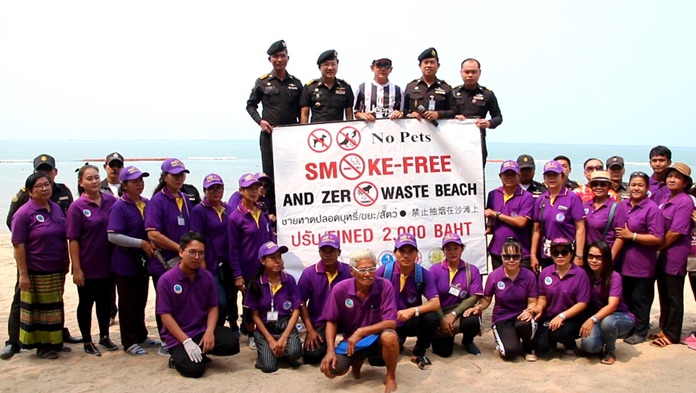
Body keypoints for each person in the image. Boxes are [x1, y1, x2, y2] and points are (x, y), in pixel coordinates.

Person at [2, 154, 80, 360]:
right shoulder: (23, 203)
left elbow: (68, 226)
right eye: (40, 174)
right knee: (25, 303)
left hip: (55, 264)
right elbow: (15, 231)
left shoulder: (60, 197)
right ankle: (14, 342)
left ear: (55, 172)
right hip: (32, 263)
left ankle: (56, 338)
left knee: (54, 303)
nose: (45, 181)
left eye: (48, 173)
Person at [156, 231, 240, 378]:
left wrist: (209, 332)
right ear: (181, 252)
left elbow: (213, 307)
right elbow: (165, 316)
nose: (197, 257)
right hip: (178, 336)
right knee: (195, 370)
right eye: (192, 252)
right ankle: (176, 357)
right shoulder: (166, 280)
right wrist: (186, 341)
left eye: (201, 253)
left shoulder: (206, 277)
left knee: (232, 343)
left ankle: (200, 351)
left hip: (200, 330)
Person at [320, 249, 399, 393]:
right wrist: (330, 350)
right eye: (363, 270)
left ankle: (390, 376)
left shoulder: (385, 286)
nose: (368, 274)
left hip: (376, 339)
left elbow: (391, 322)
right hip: (351, 342)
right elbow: (331, 321)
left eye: (372, 269)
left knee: (390, 337)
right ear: (352, 271)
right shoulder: (340, 289)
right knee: (331, 370)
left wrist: (361, 331)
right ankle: (356, 362)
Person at [10, 173, 69, 359]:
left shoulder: (57, 208)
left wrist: (67, 262)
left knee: (55, 307)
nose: (44, 188)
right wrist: (23, 274)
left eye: (47, 184)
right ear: (29, 191)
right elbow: (18, 244)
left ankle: (55, 342)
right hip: (36, 269)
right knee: (40, 311)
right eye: (39, 186)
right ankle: (43, 347)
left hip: (56, 268)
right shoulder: (24, 213)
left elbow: (63, 237)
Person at [107, 166, 161, 355]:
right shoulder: (119, 206)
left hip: (143, 262)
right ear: (124, 185)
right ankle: (129, 341)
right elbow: (113, 236)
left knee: (141, 300)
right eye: (135, 181)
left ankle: (141, 335)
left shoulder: (146, 203)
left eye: (141, 180)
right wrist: (140, 243)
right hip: (125, 262)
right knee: (127, 303)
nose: (139, 184)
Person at [67, 164, 118, 356]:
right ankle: (87, 340)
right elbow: (73, 239)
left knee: (105, 302)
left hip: (108, 263)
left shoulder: (110, 201)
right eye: (89, 178)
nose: (95, 181)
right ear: (81, 182)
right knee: (86, 303)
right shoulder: (76, 207)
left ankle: (104, 336)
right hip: (87, 265)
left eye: (97, 177)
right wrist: (77, 268)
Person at [246, 39, 302, 214]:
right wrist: (260, 121)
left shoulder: (297, 83)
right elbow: (250, 105)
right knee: (269, 177)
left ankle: (293, 212)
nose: (279, 59)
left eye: (282, 56)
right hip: (269, 136)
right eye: (276, 56)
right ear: (270, 59)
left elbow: (303, 110)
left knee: (293, 173)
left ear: (288, 58)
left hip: (291, 138)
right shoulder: (262, 82)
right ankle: (271, 213)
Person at [145, 158, 193, 356]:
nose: (179, 178)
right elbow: (152, 234)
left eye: (182, 174)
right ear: (165, 177)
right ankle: (166, 341)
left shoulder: (185, 197)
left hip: (185, 261)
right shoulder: (157, 200)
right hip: (164, 262)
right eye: (175, 175)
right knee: (166, 302)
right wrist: (179, 250)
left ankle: (183, 336)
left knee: (184, 300)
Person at [612, 171, 664, 344]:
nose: (636, 188)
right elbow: (618, 231)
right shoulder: (623, 205)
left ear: (647, 188)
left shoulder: (651, 208)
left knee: (640, 299)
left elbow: (657, 238)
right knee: (626, 298)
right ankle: (631, 328)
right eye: (633, 184)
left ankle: (641, 331)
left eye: (640, 185)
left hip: (641, 263)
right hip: (623, 262)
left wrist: (632, 236)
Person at [468, 238, 538, 361]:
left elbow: (532, 301)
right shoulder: (494, 276)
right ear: (501, 257)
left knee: (526, 325)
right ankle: (510, 340)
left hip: (520, 316)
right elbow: (486, 299)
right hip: (502, 318)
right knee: (510, 352)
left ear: (521, 257)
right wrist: (478, 307)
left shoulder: (529, 276)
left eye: (515, 257)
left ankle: (528, 347)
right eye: (507, 256)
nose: (511, 260)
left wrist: (529, 310)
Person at [376, 233, 440, 366]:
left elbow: (436, 303)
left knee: (432, 317)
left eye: (411, 251)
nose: (406, 255)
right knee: (378, 361)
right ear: (395, 253)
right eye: (402, 251)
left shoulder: (422, 274)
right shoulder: (384, 272)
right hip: (387, 322)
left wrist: (412, 310)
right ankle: (398, 341)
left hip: (409, 321)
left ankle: (419, 351)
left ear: (417, 254)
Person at [228, 173, 274, 348]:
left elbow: (269, 237)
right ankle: (251, 334)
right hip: (247, 269)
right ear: (241, 190)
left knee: (266, 300)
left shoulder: (261, 211)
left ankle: (265, 330)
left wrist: (275, 259)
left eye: (256, 187)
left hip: (265, 267)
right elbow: (232, 249)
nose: (255, 191)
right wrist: (237, 274)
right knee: (248, 304)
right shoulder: (235, 217)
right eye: (250, 188)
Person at [651, 163, 694, 348]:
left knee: (674, 295)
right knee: (664, 293)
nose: (672, 179)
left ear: (685, 183)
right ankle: (665, 327)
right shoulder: (666, 198)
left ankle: (672, 334)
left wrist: (658, 247)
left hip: (675, 254)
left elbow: (676, 231)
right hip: (663, 254)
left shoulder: (685, 201)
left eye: (677, 177)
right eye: (670, 176)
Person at [244, 241, 302, 373]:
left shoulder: (289, 280)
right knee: (269, 367)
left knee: (295, 354)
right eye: (272, 258)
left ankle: (282, 351)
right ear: (263, 261)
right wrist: (270, 340)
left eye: (279, 257)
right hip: (265, 328)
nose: (278, 261)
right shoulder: (256, 284)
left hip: (284, 325)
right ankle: (267, 354)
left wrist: (284, 337)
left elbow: (296, 309)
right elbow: (255, 316)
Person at [297, 233, 352, 364]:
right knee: (312, 357)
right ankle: (329, 345)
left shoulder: (349, 271)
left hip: (346, 319)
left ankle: (340, 344)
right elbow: (301, 302)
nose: (328, 254)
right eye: (324, 251)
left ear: (339, 252)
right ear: (319, 252)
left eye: (331, 251)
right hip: (321, 321)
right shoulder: (309, 273)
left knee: (370, 355)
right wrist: (310, 330)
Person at [579, 241, 635, 365]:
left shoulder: (615, 277)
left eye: (598, 257)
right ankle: (605, 337)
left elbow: (612, 306)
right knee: (591, 348)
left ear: (606, 259)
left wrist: (592, 319)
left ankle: (610, 351)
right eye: (590, 256)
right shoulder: (585, 275)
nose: (593, 260)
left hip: (619, 317)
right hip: (599, 318)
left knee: (608, 322)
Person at [532, 237, 590, 356]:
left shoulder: (580, 274)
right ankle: (551, 343)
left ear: (571, 254)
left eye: (564, 252)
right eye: (555, 252)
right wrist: (538, 308)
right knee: (540, 348)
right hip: (550, 317)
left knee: (557, 332)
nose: (560, 256)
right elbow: (542, 297)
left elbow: (582, 303)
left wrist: (562, 316)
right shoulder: (545, 273)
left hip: (572, 318)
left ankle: (570, 345)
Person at [430, 233, 484, 357]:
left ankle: (468, 341)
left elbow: (474, 297)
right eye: (448, 249)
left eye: (456, 248)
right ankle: (444, 335)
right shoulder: (435, 270)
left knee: (473, 319)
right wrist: (443, 318)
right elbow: (432, 297)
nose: (452, 252)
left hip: (460, 311)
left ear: (462, 249)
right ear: (443, 251)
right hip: (440, 311)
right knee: (443, 353)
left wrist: (453, 314)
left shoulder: (472, 270)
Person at [530, 160, 586, 271]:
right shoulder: (541, 199)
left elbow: (581, 228)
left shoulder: (572, 197)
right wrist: (533, 255)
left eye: (555, 175)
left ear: (562, 176)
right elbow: (537, 230)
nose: (551, 178)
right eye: (548, 175)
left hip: (567, 253)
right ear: (544, 178)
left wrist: (579, 256)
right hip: (547, 253)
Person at [190, 174, 230, 327]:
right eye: (211, 188)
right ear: (204, 191)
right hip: (210, 263)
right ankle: (212, 329)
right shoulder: (199, 211)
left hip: (227, 263)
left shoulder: (227, 209)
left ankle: (222, 329)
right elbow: (196, 239)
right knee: (218, 300)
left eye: (218, 188)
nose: (215, 191)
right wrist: (201, 263)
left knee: (228, 299)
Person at [485, 160, 534, 269]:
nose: (509, 177)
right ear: (500, 176)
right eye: (506, 174)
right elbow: (490, 216)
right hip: (498, 251)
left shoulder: (527, 197)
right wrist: (489, 226)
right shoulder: (493, 194)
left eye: (513, 174)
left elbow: (521, 222)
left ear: (519, 176)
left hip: (520, 252)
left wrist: (497, 215)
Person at [453, 58, 503, 163]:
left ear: (479, 73)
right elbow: (443, 114)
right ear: (461, 72)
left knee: (477, 175)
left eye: (474, 72)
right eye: (467, 72)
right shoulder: (452, 93)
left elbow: (498, 117)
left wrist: (489, 123)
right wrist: (453, 118)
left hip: (477, 143)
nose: (470, 75)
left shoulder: (487, 94)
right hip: (455, 141)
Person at [100, 152, 123, 326]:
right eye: (111, 165)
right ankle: (109, 312)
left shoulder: (130, 186)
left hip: (125, 244)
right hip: (104, 243)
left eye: (118, 165)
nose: (115, 169)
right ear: (105, 166)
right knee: (107, 283)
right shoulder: (98, 188)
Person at [300, 50, 354, 123]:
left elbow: (349, 115)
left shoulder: (345, 87)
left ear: (337, 65)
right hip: (316, 132)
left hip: (338, 132)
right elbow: (305, 114)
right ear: (319, 67)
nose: (330, 68)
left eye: (333, 64)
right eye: (326, 64)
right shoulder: (310, 87)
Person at [403, 48, 456, 122]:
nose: (429, 65)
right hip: (416, 130)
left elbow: (454, 111)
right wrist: (410, 114)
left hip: (438, 130)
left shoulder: (445, 88)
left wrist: (438, 114)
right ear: (420, 65)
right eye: (426, 62)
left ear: (438, 66)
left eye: (432, 62)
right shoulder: (411, 87)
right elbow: (403, 110)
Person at [583, 171, 621, 250]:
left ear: (609, 187)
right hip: (588, 256)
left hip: (606, 255)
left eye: (603, 184)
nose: (598, 187)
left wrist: (611, 258)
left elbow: (620, 237)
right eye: (595, 184)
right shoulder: (585, 206)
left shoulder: (617, 208)